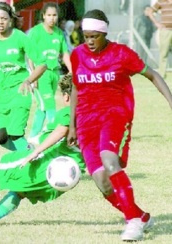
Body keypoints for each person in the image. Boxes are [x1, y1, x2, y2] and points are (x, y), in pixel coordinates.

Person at [67, 9, 172, 241]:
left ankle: (132, 223)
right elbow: (76, 87)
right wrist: (72, 125)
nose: (90, 41)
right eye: (86, 36)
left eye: (95, 36)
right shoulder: (77, 55)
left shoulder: (122, 54)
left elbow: (153, 74)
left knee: (109, 159)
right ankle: (139, 216)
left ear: (104, 34)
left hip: (115, 115)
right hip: (85, 123)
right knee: (102, 182)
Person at [0, 74, 85, 226]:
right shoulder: (92, 115)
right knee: (20, 191)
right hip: (68, 170)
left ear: (66, 97)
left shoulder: (68, 113)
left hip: (45, 162)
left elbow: (60, 132)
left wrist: (35, 152)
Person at [0, 2, 47, 151]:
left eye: (4, 18)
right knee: (0, 138)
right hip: (0, 94)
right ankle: (27, 152)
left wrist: (29, 80)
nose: (0, 22)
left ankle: (28, 158)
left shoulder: (20, 37)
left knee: (15, 134)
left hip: (20, 90)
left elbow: (42, 64)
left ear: (11, 20)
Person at [26, 2, 72, 145]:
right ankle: (54, 136)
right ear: (43, 16)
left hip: (54, 73)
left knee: (42, 107)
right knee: (50, 105)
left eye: (54, 15)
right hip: (41, 74)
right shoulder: (35, 32)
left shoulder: (59, 33)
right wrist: (33, 76)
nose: (52, 18)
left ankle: (32, 137)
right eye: (49, 15)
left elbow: (64, 53)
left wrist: (71, 71)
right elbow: (29, 55)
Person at [147, 0, 172, 78]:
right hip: (165, 31)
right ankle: (162, 74)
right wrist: (156, 23)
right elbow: (150, 11)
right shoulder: (161, 2)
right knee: (163, 53)